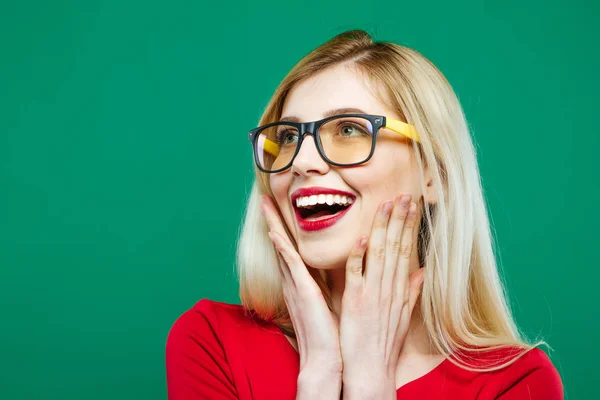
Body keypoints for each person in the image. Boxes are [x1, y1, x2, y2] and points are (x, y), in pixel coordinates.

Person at [165, 30, 563, 399]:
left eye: (349, 130)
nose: (301, 162)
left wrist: (370, 382)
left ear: (434, 174)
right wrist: (320, 373)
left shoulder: (516, 382)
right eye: (288, 137)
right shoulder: (212, 342)